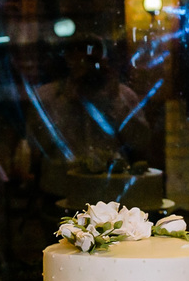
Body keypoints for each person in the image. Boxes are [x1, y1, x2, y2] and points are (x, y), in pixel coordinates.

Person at [28, 35, 151, 199]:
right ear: (68, 58)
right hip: (61, 190)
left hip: (110, 191)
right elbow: (38, 144)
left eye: (92, 60)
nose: (87, 66)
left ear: (104, 60)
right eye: (81, 58)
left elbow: (140, 142)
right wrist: (67, 102)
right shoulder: (46, 96)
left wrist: (114, 101)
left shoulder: (122, 96)